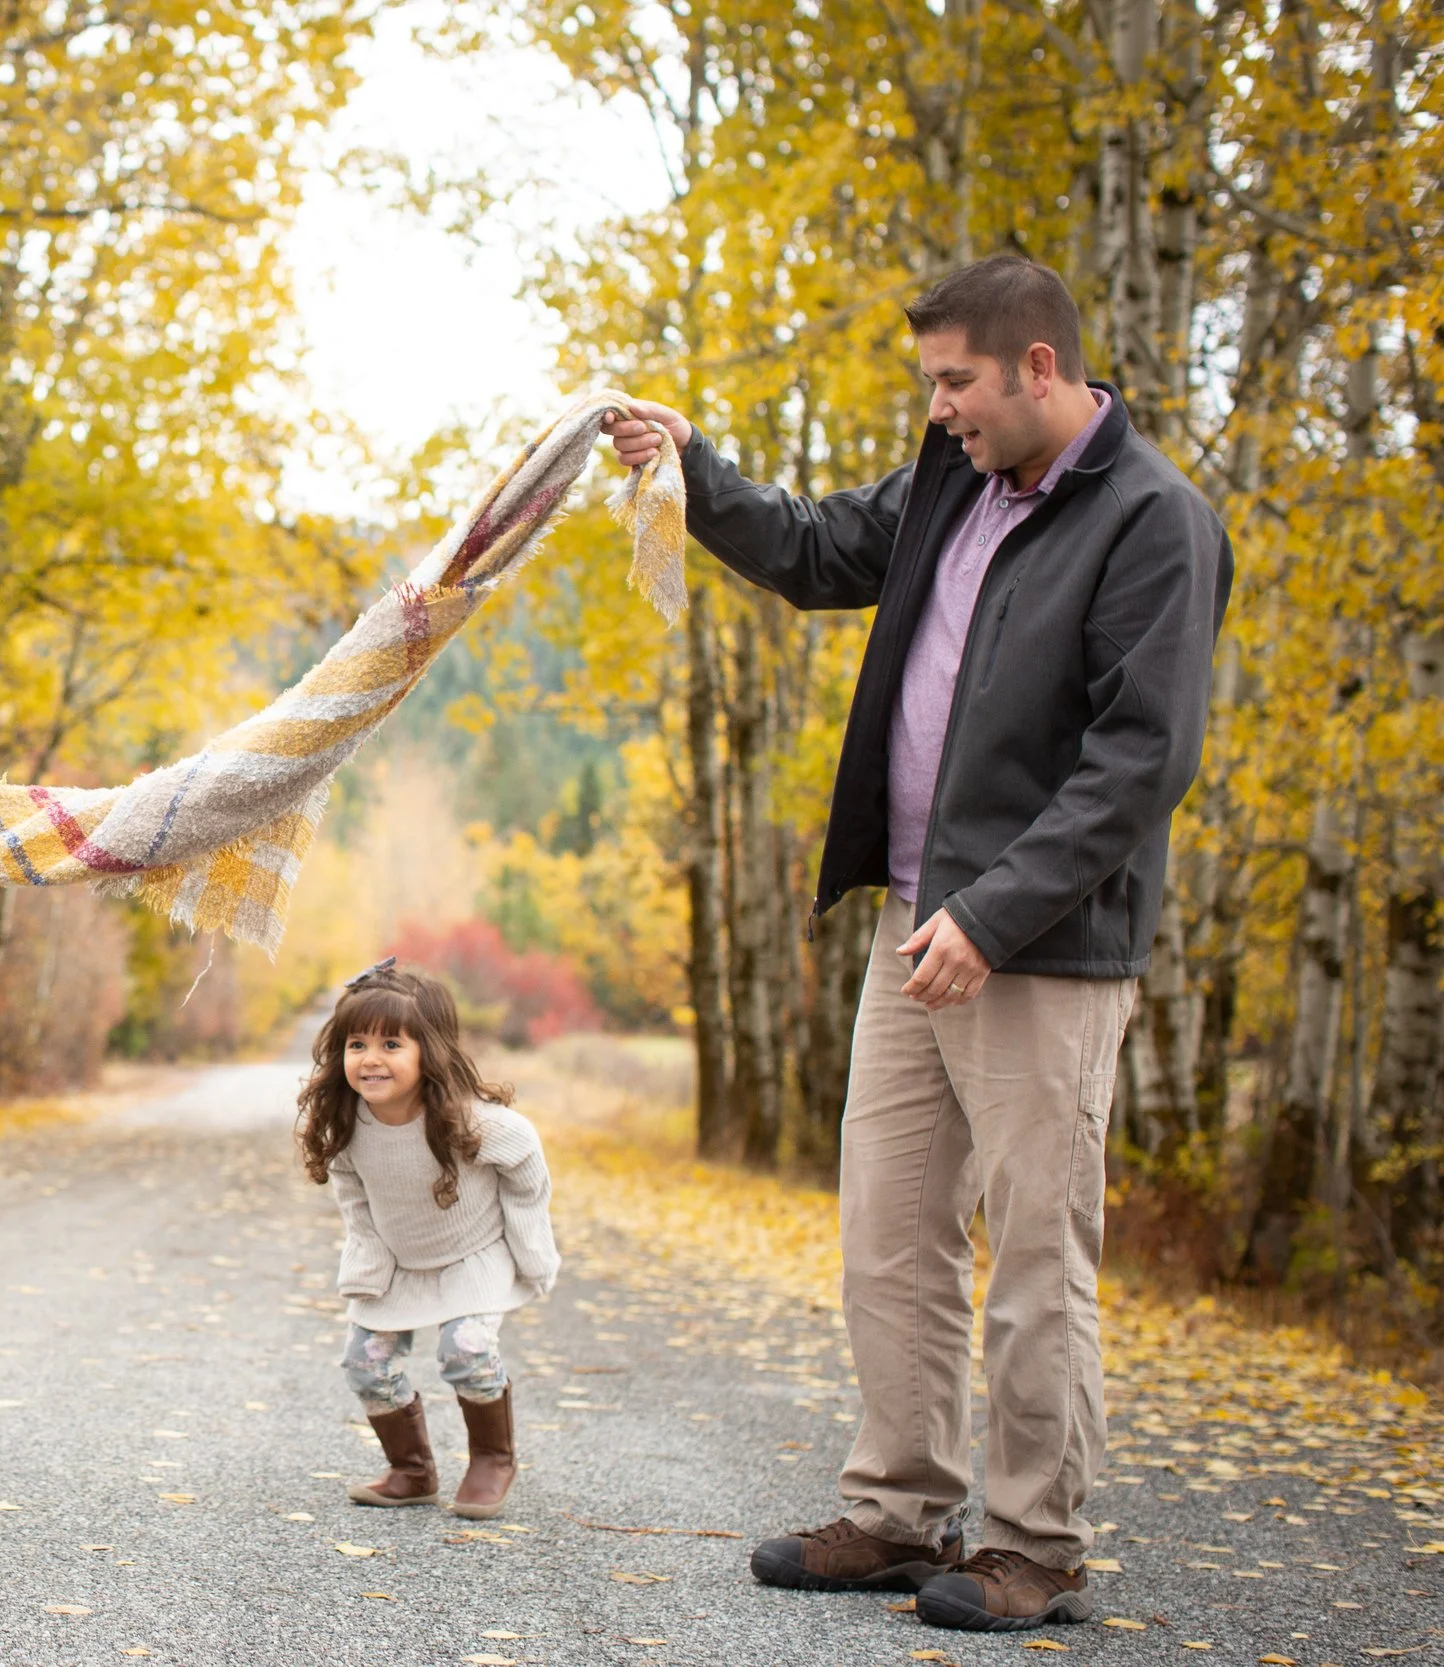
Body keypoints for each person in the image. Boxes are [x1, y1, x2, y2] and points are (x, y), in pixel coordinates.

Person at [605, 255, 1232, 1633]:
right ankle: (899, 1510)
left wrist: (993, 914)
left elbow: (1140, 760)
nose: (938, 406)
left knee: (1035, 1257)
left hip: (1037, 948)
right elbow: (814, 550)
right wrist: (692, 467)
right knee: (889, 1237)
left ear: (1039, 368)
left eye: (957, 381)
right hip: (910, 923)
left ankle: (1037, 1544)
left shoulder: (1153, 520)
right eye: (931, 382)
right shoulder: (954, 480)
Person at [296, 960, 558, 1521]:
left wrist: (532, 1252)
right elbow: (354, 1199)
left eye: (391, 1044)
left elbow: (526, 1166)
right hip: (400, 1261)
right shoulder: (349, 1124)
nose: (370, 1058)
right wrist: (368, 1262)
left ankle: (492, 1458)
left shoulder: (472, 1122)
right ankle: (411, 1471)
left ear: (430, 1051)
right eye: (357, 1044)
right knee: (365, 1363)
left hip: (473, 1254)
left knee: (466, 1350)